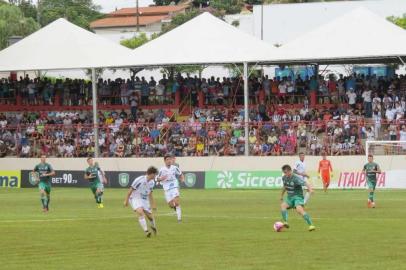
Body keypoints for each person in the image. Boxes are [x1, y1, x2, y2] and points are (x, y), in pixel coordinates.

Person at [124, 166, 158, 238]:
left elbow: (150, 194)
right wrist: (126, 200)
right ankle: (146, 231)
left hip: (144, 199)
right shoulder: (139, 180)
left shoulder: (152, 182)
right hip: (135, 198)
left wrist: (153, 204)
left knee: (150, 217)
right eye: (155, 174)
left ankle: (154, 227)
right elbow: (130, 190)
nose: (155, 176)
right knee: (140, 212)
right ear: (151, 174)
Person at [280, 164, 316, 232]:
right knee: (283, 206)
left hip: (297, 197)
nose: (285, 174)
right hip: (290, 197)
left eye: (286, 172)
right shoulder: (284, 178)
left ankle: (311, 225)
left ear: (290, 171)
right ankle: (285, 222)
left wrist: (310, 189)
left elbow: (305, 183)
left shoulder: (296, 178)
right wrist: (281, 196)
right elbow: (285, 186)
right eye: (284, 172)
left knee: (299, 210)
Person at [157, 155, 184, 222]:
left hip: (174, 185)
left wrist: (182, 179)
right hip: (166, 187)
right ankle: (175, 208)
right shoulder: (162, 169)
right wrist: (160, 179)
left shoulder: (174, 168)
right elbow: (157, 179)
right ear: (165, 161)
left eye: (170, 159)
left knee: (176, 202)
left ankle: (179, 219)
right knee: (171, 205)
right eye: (167, 159)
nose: (169, 161)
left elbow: (180, 174)